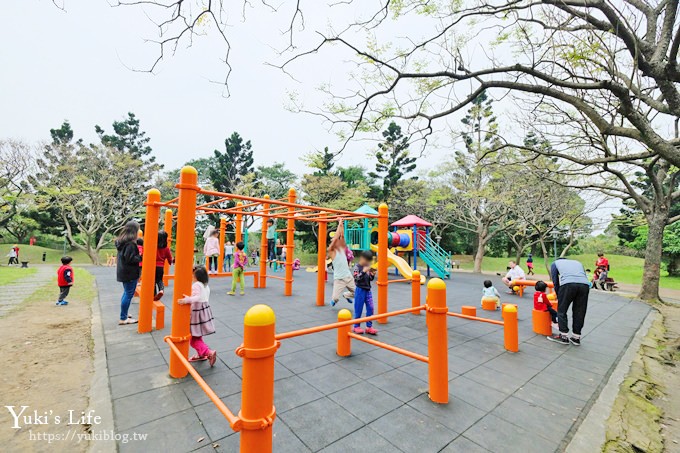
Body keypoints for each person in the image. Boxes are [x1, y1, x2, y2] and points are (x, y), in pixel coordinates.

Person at [178, 266, 217, 366]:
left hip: (197, 313)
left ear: (196, 276)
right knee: (197, 336)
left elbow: (197, 297)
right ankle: (201, 354)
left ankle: (208, 353)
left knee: (193, 340)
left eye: (193, 274)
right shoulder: (205, 286)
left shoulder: (196, 285)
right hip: (204, 312)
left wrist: (187, 300)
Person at [548, 258, 590, 346]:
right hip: (584, 285)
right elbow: (583, 275)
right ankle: (576, 337)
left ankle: (564, 336)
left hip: (568, 285)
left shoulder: (555, 263)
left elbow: (555, 281)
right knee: (580, 311)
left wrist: (559, 295)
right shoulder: (578, 262)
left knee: (562, 310)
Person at [116, 221, 142, 325]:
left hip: (123, 271)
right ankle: (123, 318)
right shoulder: (130, 244)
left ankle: (124, 314)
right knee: (128, 294)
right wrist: (141, 257)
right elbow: (130, 259)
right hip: (129, 272)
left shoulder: (122, 241)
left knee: (126, 293)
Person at [328, 222, 355, 306]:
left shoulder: (342, 248)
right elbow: (336, 238)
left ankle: (346, 295)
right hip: (339, 279)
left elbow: (341, 235)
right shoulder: (331, 251)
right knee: (335, 298)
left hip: (348, 277)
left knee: (357, 293)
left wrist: (342, 226)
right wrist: (339, 224)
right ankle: (334, 300)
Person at [352, 250, 378, 335]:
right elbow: (356, 279)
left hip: (368, 290)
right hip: (360, 290)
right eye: (366, 260)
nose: (367, 262)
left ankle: (369, 327)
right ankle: (356, 326)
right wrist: (363, 271)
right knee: (358, 308)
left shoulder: (367, 267)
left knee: (371, 308)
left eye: (368, 261)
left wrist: (372, 275)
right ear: (362, 258)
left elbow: (369, 279)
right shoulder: (357, 267)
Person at [154, 231, 173, 301]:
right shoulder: (166, 248)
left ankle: (154, 294)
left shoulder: (154, 247)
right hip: (160, 267)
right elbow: (169, 258)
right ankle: (161, 290)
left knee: (153, 281)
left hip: (153, 266)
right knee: (159, 280)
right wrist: (170, 262)